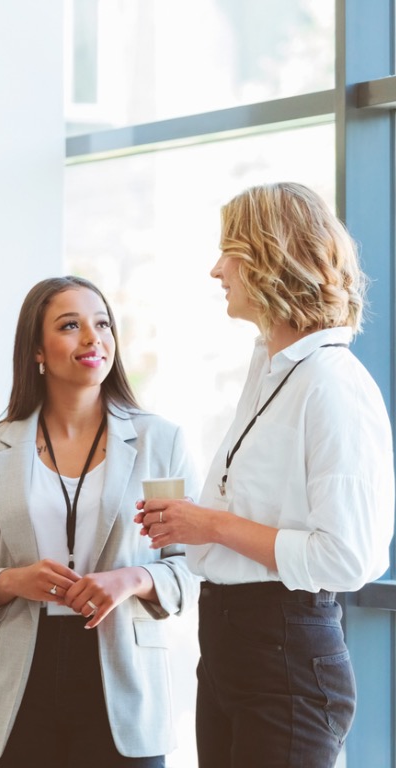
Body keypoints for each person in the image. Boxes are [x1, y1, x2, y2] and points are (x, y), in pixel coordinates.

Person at [137, 182, 395, 768]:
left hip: (285, 651)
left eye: (229, 249)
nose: (215, 269)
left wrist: (214, 526)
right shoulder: (272, 372)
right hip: (231, 643)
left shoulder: (331, 383)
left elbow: (349, 558)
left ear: (269, 257)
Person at [0, 276, 200, 767]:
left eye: (101, 323)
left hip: (122, 678)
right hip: (17, 687)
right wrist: (17, 580)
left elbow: (195, 565)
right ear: (37, 349)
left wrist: (134, 578)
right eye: (70, 325)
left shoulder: (160, 442)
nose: (92, 338)